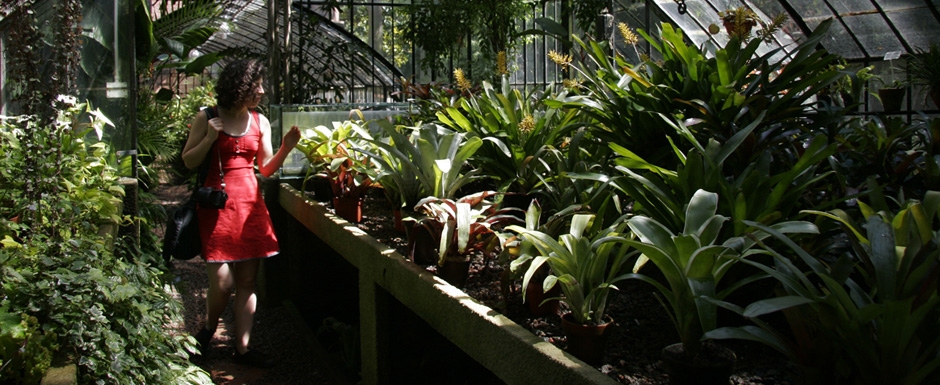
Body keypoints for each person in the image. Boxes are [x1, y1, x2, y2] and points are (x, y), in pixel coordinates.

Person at [181, 59, 301, 368]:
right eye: (257, 85)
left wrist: (286, 148)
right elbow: (188, 162)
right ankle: (208, 329)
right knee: (222, 284)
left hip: (250, 207)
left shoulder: (260, 121)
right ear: (240, 87)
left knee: (248, 281)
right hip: (216, 208)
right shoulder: (207, 117)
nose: (262, 90)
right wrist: (209, 138)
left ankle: (243, 348)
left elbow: (266, 169)